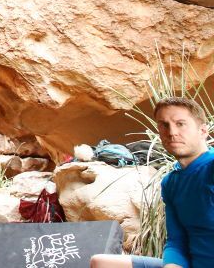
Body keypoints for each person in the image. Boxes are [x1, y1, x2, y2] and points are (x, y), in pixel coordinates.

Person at [90, 97, 213, 268]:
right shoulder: (171, 182)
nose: (172, 132)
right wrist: (172, 265)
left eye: (181, 124)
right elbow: (176, 241)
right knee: (101, 263)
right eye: (164, 125)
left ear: (203, 131)